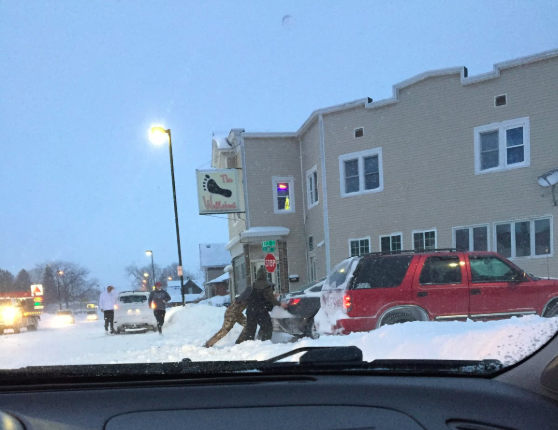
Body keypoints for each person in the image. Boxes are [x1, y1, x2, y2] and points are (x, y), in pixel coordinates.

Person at [236, 266, 287, 344]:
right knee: (267, 327)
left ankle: (248, 344)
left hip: (251, 310)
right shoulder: (266, 285)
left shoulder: (253, 285)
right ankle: (265, 343)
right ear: (265, 275)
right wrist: (280, 304)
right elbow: (270, 298)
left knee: (251, 329)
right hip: (261, 310)